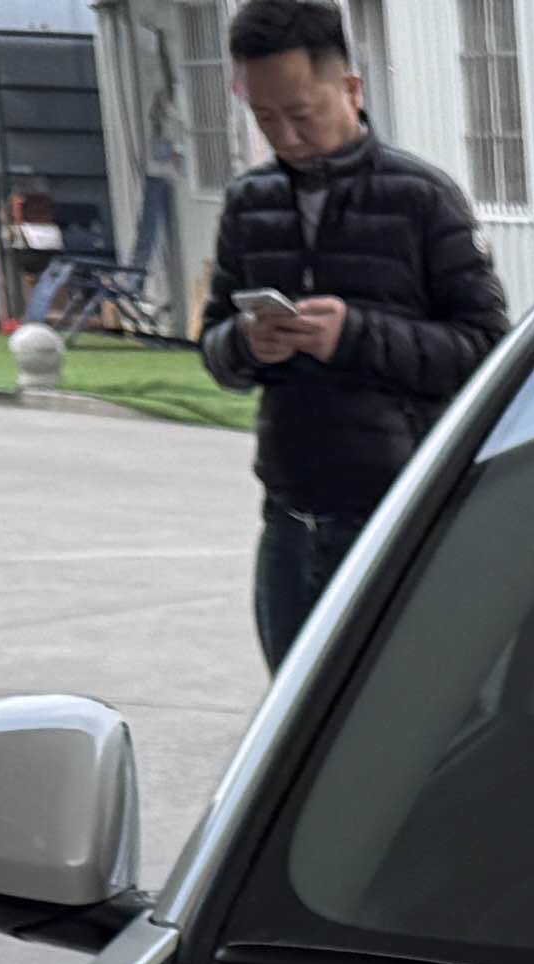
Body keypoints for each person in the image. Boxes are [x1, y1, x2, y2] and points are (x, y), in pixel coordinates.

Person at [199, 0, 509, 672]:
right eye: (264, 117)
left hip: (396, 518)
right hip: (289, 517)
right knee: (297, 720)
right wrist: (247, 345)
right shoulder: (249, 203)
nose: (285, 135)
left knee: (403, 707)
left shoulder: (423, 198)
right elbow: (213, 347)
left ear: (351, 89)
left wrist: (356, 336)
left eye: (301, 112)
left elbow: (487, 350)